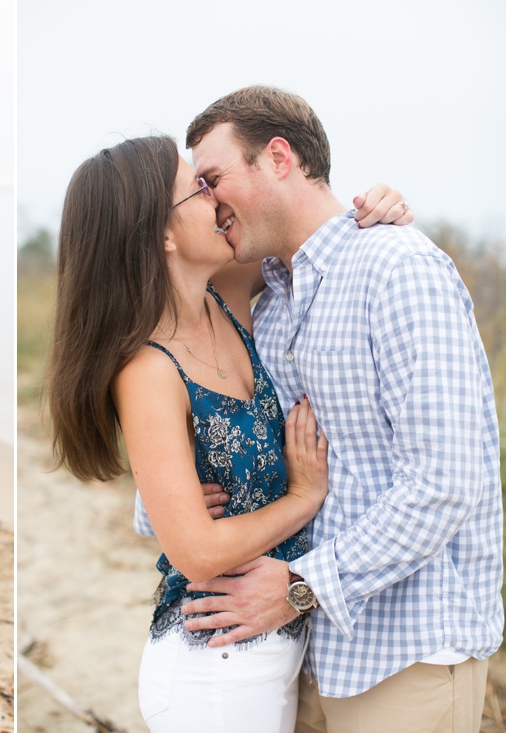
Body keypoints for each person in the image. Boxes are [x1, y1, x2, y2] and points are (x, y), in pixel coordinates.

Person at [46, 134, 411, 732]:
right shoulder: (147, 372)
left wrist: (375, 207)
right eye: (199, 188)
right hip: (212, 667)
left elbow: (302, 234)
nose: (216, 199)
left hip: (268, 654)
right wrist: (303, 498)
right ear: (160, 234)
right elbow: (196, 552)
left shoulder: (227, 295)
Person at [180, 85, 503, 733]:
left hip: (407, 653)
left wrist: (300, 585)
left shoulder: (396, 266)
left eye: (212, 179)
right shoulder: (269, 304)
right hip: (306, 652)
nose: (206, 202)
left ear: (278, 157)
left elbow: (446, 483)